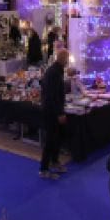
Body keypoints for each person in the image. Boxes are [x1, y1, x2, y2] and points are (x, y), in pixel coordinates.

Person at [39, 48, 69, 178]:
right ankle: (43, 169)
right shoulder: (53, 72)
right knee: (51, 139)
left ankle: (54, 161)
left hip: (54, 109)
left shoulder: (58, 70)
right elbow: (52, 96)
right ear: (62, 58)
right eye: (66, 58)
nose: (67, 61)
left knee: (57, 138)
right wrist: (59, 113)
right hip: (51, 111)